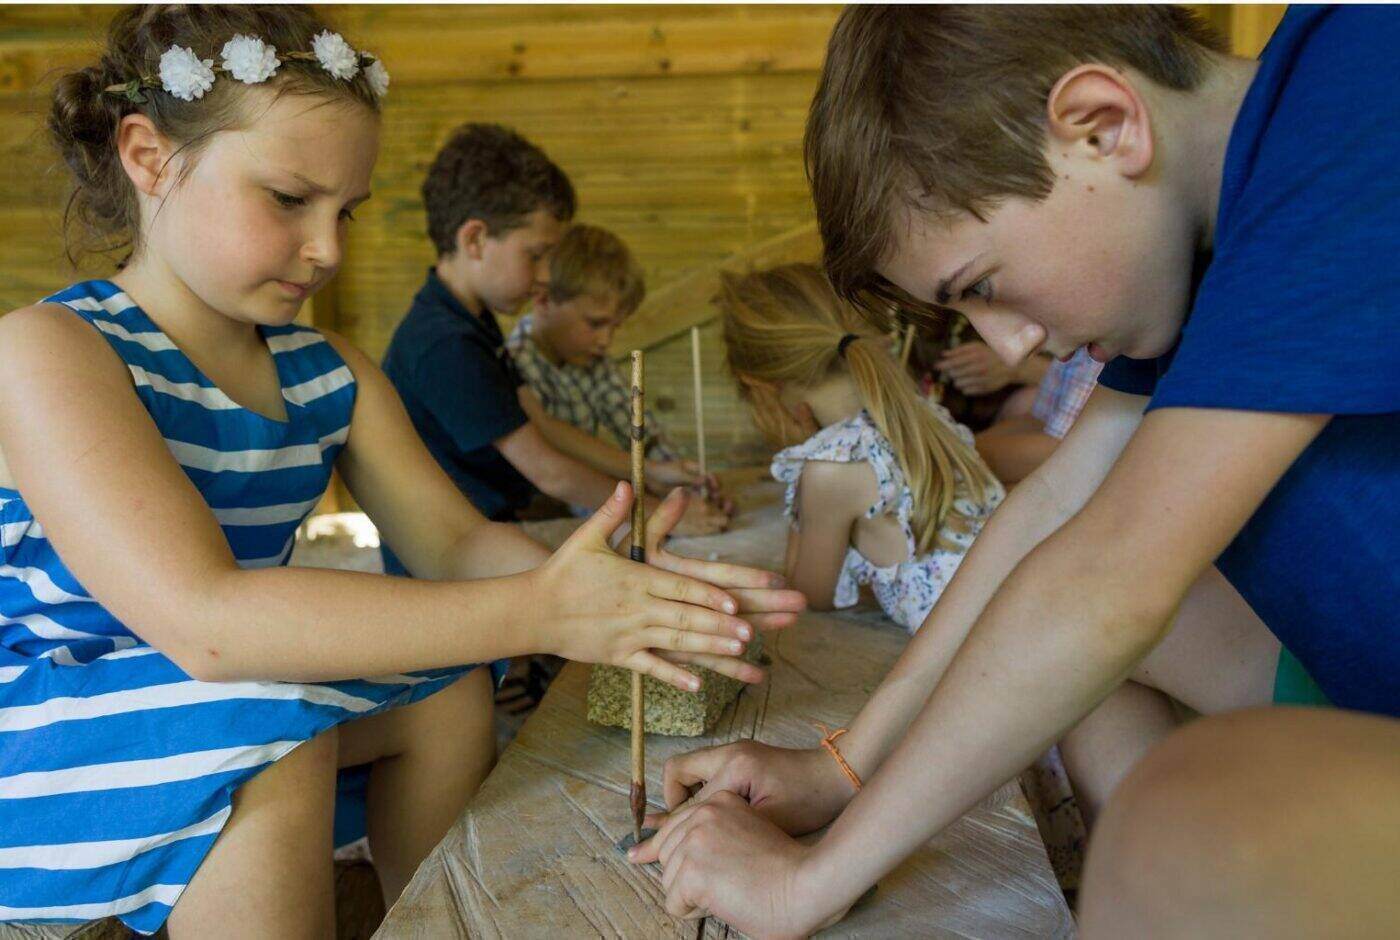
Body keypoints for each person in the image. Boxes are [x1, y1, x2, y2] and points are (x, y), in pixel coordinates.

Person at [0, 7, 802, 934]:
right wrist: (546, 610)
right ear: (149, 158)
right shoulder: (53, 351)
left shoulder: (327, 372)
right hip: (47, 733)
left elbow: (454, 542)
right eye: (289, 200)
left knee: (450, 693)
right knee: (270, 734)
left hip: (221, 692)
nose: (329, 249)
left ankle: (427, 918)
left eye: (346, 211)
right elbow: (206, 621)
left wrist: (628, 592)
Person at [632, 7, 1400, 937]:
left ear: (1100, 127)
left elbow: (1109, 579)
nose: (1010, 342)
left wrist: (810, 882)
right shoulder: (1203, 242)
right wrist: (842, 767)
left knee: (1186, 839)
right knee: (1064, 675)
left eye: (982, 288)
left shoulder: (1360, 82)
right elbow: (1051, 516)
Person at [378, 126, 724, 579]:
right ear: (475, 240)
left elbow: (541, 424)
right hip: (446, 560)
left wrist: (648, 472)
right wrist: (655, 512)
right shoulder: (444, 343)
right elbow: (549, 472)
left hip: (488, 532)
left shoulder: (471, 319)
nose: (545, 276)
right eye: (537, 255)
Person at [715, 264, 1002, 631]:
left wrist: (803, 462)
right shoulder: (922, 414)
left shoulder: (830, 469)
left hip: (983, 643)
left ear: (759, 385)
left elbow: (811, 595)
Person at [507, 223, 731, 517]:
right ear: (544, 300)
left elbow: (639, 433)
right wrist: (652, 499)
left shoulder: (590, 360)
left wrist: (685, 487)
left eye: (615, 326)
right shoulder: (512, 366)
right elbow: (554, 471)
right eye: (595, 323)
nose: (606, 341)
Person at [974, 347, 1104, 485]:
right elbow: (1037, 419)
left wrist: (963, 455)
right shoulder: (1076, 348)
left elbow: (1067, 454)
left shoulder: (1102, 356)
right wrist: (963, 446)